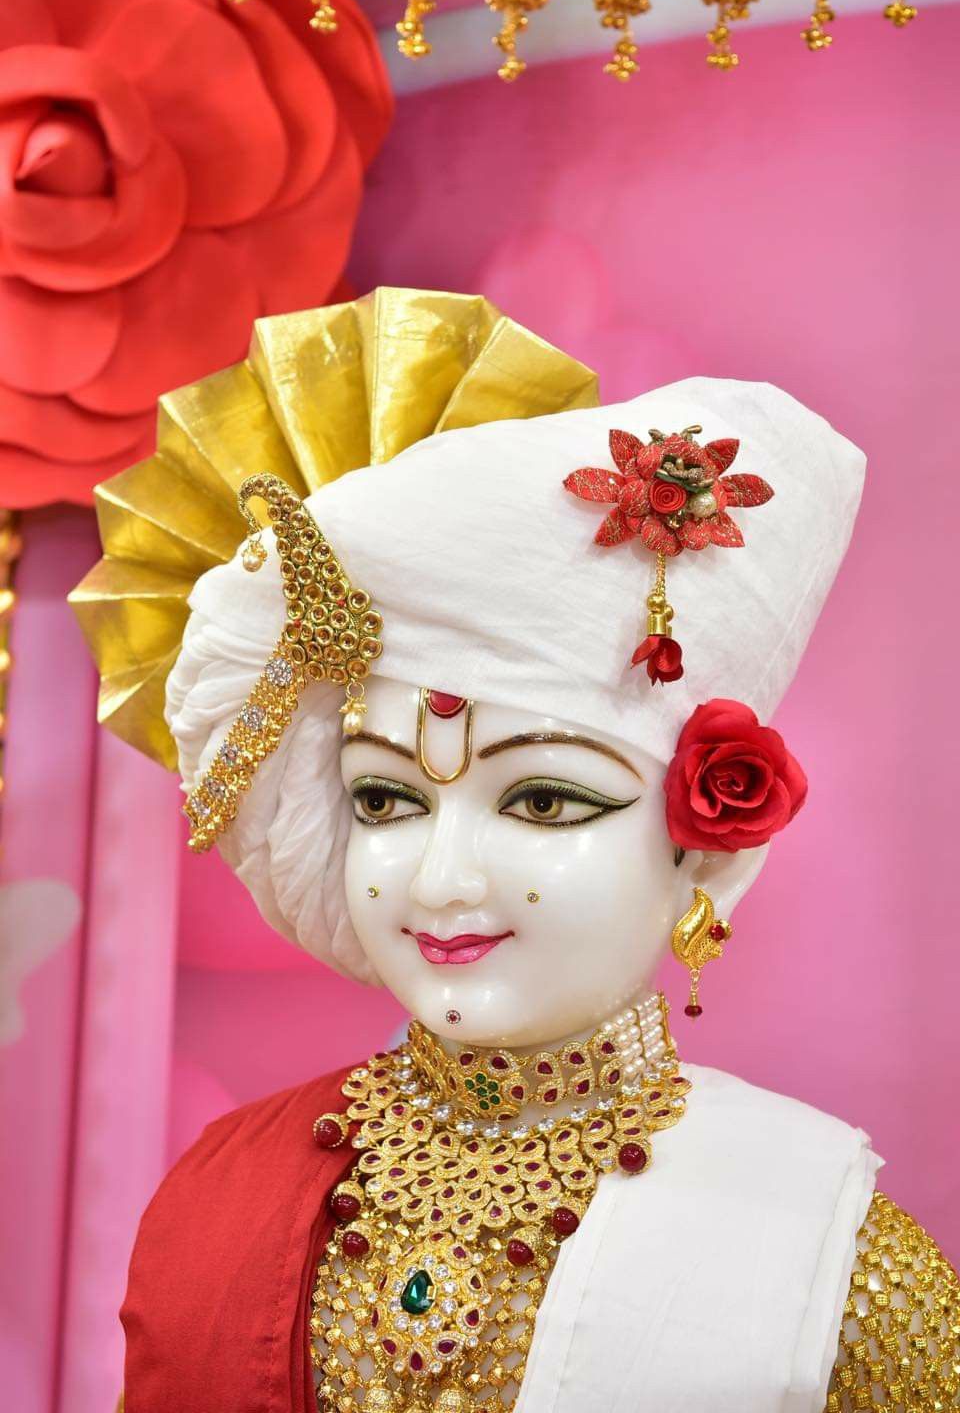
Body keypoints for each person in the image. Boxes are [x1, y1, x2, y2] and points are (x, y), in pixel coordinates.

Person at [72, 288, 959, 1413]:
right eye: (387, 801)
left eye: (542, 803)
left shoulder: (837, 1265)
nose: (442, 880)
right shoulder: (218, 1195)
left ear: (714, 850)